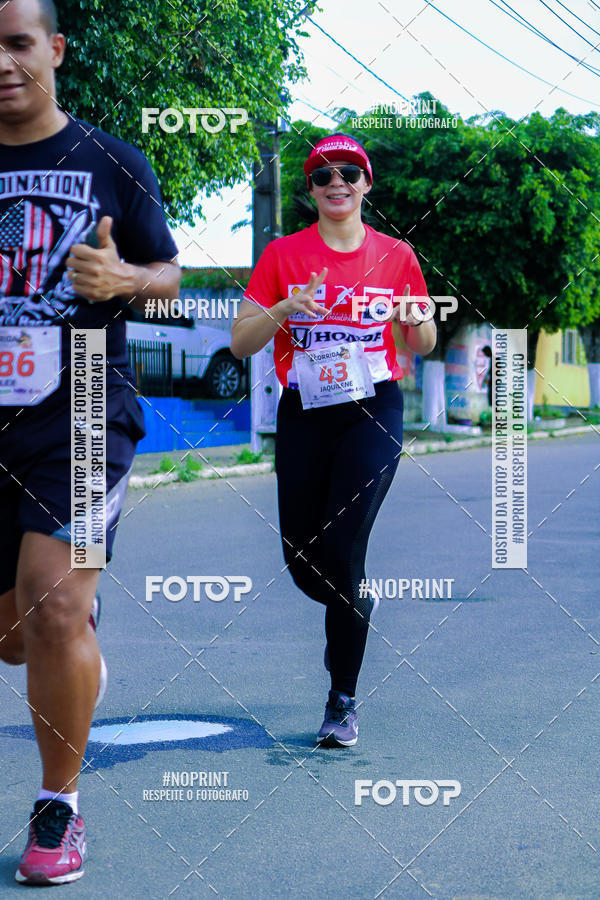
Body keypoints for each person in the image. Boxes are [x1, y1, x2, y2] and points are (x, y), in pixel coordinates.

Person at [0, 0, 180, 884]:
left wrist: (124, 277)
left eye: (18, 43)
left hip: (82, 403)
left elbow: (170, 276)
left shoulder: (112, 161)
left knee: (53, 605)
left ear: (56, 48)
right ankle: (73, 640)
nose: (3, 62)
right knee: (15, 635)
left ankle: (59, 808)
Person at [231, 133, 437, 747]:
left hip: (373, 411)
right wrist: (285, 308)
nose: (337, 182)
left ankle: (341, 699)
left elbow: (422, 342)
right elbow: (241, 342)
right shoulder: (282, 255)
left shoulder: (396, 255)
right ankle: (354, 605)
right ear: (312, 190)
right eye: (324, 175)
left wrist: (417, 320)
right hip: (305, 413)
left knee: (345, 547)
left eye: (350, 172)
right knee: (304, 563)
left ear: (366, 184)